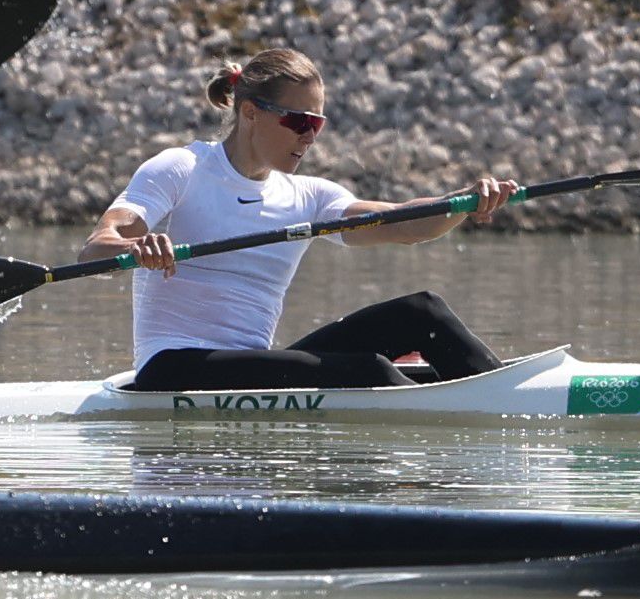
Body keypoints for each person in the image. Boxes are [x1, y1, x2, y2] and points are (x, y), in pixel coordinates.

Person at [82, 49, 518, 391]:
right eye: (298, 121)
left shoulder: (308, 195)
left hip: (246, 369)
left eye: (318, 124)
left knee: (422, 313)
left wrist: (460, 202)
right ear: (250, 112)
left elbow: (405, 224)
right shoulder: (181, 168)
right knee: (369, 372)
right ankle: (472, 410)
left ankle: (503, 394)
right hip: (173, 368)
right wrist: (137, 248)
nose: (308, 137)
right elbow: (97, 247)